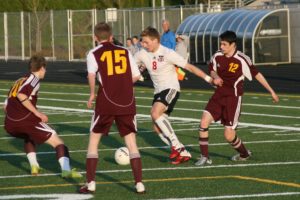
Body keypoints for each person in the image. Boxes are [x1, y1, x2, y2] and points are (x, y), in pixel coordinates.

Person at [134, 27, 219, 165]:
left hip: (171, 88)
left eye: (146, 42)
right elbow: (130, 67)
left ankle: (177, 147)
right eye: (142, 42)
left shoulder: (168, 53)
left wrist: (209, 80)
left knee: (155, 113)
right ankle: (182, 151)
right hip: (158, 91)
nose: (143, 45)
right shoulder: (141, 53)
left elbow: (189, 67)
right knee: (157, 128)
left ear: (155, 40)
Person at [195, 31, 279, 166]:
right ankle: (205, 157)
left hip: (232, 99)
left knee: (228, 135)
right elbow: (212, 68)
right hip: (218, 96)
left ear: (233, 45)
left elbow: (257, 74)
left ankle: (244, 153)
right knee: (203, 122)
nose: (221, 47)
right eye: (220, 43)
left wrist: (272, 91)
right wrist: (215, 76)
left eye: (224, 44)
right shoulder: (217, 55)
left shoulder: (242, 59)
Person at [79, 22, 145, 194]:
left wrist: (92, 94)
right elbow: (136, 76)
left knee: (94, 141)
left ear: (95, 38)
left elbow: (91, 75)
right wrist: (122, 85)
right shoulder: (125, 51)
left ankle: (91, 183)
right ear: (111, 37)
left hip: (106, 102)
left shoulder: (93, 53)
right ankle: (139, 184)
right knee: (131, 143)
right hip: (127, 102)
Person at [3, 55, 82, 178]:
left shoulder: (19, 80)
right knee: (59, 143)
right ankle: (66, 170)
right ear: (41, 68)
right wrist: (37, 113)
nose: (45, 71)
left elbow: (5, 104)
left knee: (29, 137)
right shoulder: (34, 79)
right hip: (26, 120)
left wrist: (14, 116)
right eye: (45, 68)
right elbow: (21, 95)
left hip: (9, 123)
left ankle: (34, 166)